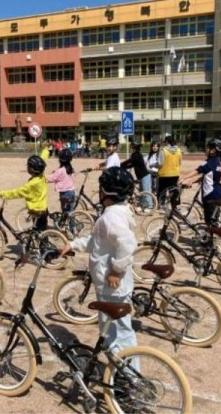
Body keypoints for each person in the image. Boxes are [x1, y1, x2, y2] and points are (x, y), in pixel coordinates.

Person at [60, 167, 137, 354]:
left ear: (106, 191)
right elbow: (97, 241)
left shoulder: (111, 217)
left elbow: (127, 244)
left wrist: (116, 271)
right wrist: (74, 244)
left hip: (112, 284)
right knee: (113, 330)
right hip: (111, 284)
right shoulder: (118, 211)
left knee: (118, 332)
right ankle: (120, 369)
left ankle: (127, 375)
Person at [0, 155, 48, 231]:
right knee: (42, 231)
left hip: (36, 210)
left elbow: (17, 192)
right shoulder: (42, 177)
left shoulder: (31, 185)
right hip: (43, 208)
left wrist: (1, 194)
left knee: (37, 232)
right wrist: (46, 150)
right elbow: (43, 157)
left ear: (31, 169)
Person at [178, 139, 221, 225]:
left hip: (210, 194)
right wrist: (192, 181)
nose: (205, 150)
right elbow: (207, 176)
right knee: (214, 218)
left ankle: (211, 236)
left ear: (213, 150)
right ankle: (211, 235)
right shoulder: (217, 162)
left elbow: (198, 171)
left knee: (209, 220)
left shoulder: (209, 163)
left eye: (207, 148)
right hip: (217, 193)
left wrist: (184, 177)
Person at [121, 143, 153, 212]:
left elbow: (130, 162)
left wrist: (121, 165)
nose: (130, 148)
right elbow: (131, 164)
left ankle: (149, 206)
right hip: (140, 176)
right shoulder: (134, 155)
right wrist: (123, 167)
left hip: (145, 176)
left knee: (146, 191)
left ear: (134, 148)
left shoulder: (137, 155)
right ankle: (142, 205)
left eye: (131, 147)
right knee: (141, 191)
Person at [46, 148, 76, 213]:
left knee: (65, 212)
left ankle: (69, 222)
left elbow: (52, 178)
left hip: (65, 194)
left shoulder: (60, 170)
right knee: (71, 212)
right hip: (72, 192)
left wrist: (43, 178)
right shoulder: (71, 169)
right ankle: (72, 223)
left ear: (60, 160)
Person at [157, 135, 182, 203]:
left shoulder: (163, 150)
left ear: (167, 141)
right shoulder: (179, 150)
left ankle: (161, 203)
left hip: (164, 174)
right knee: (174, 190)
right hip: (175, 174)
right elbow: (180, 162)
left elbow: (160, 163)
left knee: (162, 190)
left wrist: (155, 165)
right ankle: (175, 205)